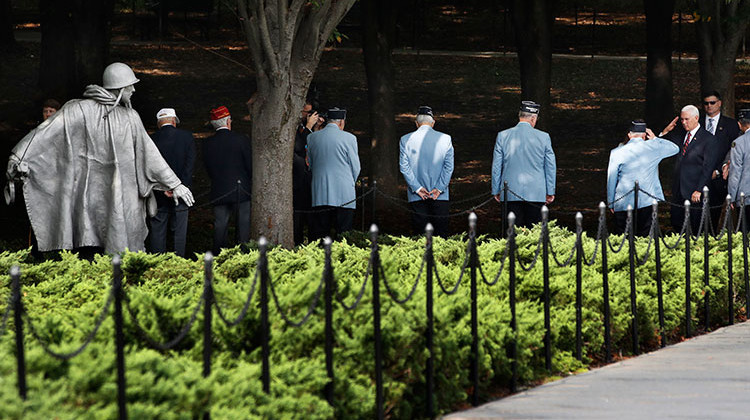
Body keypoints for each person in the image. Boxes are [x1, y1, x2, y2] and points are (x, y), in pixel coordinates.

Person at [4, 62, 194, 255]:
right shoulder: (80, 110)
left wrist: (173, 184)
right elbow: (46, 133)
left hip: (122, 197)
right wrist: (19, 157)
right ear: (119, 88)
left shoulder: (129, 117)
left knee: (116, 246)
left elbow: (149, 154)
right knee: (92, 245)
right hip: (91, 198)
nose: (134, 89)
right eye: (130, 85)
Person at [607, 120, 679, 236]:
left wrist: (611, 203)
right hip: (646, 201)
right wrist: (655, 138)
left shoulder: (616, 152)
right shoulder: (653, 148)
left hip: (623, 202)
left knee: (623, 238)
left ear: (629, 135)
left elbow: (611, 179)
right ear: (645, 135)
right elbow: (674, 148)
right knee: (646, 238)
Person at [491, 100, 556, 228]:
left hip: (510, 191)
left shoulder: (503, 136)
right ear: (533, 118)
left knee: (511, 233)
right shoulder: (544, 137)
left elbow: (497, 166)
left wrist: (496, 189)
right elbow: (550, 166)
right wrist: (550, 190)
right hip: (536, 192)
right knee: (535, 235)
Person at [659, 104, 721, 234]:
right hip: (678, 190)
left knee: (695, 226)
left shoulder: (708, 139)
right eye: (682, 119)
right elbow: (662, 147)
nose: (683, 122)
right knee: (677, 223)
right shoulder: (680, 135)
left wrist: (699, 189)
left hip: (694, 191)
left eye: (686, 119)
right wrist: (665, 132)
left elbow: (707, 167)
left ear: (696, 118)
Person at [203, 106, 253, 256]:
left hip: (219, 188)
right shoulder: (241, 140)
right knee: (243, 226)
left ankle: (219, 256)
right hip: (241, 189)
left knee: (220, 226)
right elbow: (249, 165)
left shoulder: (207, 143)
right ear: (228, 121)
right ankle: (243, 256)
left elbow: (208, 167)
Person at [399, 105, 455, 236]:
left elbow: (404, 167)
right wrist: (439, 188)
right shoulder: (446, 139)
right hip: (439, 195)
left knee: (420, 236)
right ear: (433, 123)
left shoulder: (405, 139)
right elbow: (449, 167)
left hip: (417, 195)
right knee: (441, 235)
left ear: (416, 123)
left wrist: (417, 188)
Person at [307, 107, 360, 240]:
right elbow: (356, 167)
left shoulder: (312, 137)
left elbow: (311, 164)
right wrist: (350, 182)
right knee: (343, 233)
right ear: (341, 122)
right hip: (344, 193)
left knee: (319, 234)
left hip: (320, 192)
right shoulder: (350, 138)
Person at [149, 108, 195, 257]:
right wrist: (180, 186)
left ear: (158, 123)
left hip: (158, 193)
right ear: (174, 121)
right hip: (182, 191)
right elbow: (190, 165)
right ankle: (179, 262)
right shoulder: (187, 137)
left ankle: (157, 263)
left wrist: (163, 188)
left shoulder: (151, 140)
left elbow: (149, 167)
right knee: (180, 231)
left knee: (157, 230)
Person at [701, 91, 741, 231]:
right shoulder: (698, 122)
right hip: (698, 176)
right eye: (706, 103)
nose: (709, 106)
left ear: (719, 103)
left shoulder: (731, 125)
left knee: (715, 214)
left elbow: (733, 150)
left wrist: (718, 170)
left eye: (712, 103)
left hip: (720, 178)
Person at [293, 98, 319, 245]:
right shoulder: (296, 128)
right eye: (307, 112)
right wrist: (308, 127)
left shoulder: (308, 128)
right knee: (298, 217)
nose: (309, 116)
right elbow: (298, 145)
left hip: (311, 179)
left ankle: (313, 243)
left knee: (312, 216)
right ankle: (297, 242)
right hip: (298, 179)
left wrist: (315, 129)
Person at [727, 109, 750, 222]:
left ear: (739, 124)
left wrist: (731, 196)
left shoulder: (739, 143)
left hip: (746, 195)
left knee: (745, 232)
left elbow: (735, 172)